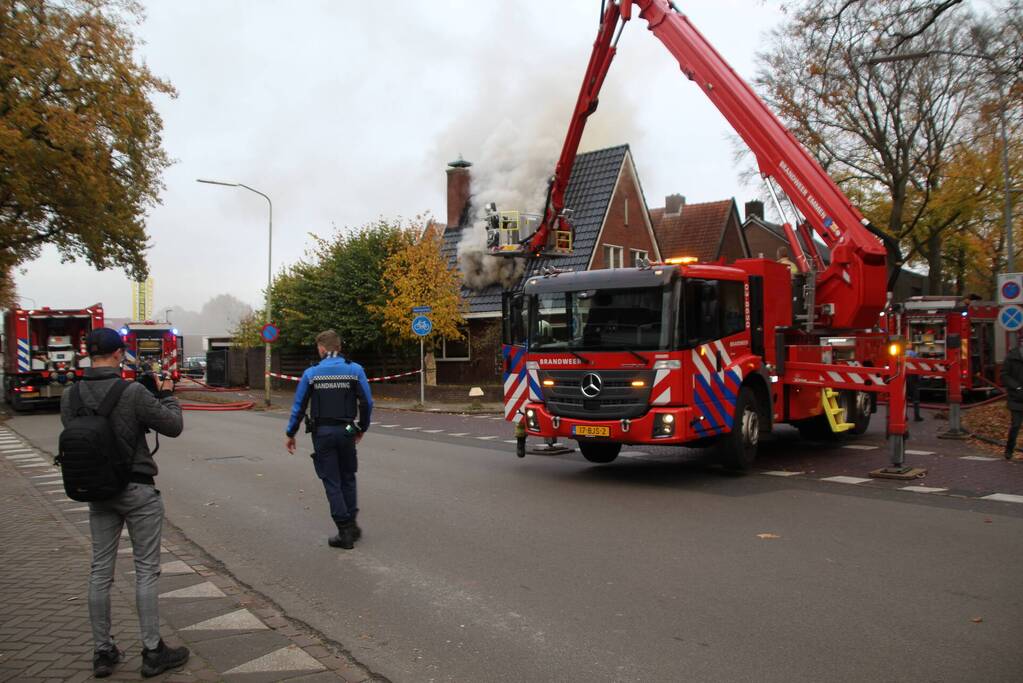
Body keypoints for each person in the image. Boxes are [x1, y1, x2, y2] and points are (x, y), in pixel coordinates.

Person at [60, 328, 189, 678]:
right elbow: (173, 425)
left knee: (100, 570)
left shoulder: (71, 395)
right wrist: (167, 394)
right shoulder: (130, 391)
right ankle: (152, 651)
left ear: (89, 354)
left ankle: (103, 652)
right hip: (137, 491)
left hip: (97, 492)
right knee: (146, 570)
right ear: (119, 355)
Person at [285, 330, 374, 548]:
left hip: (322, 432)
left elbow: (299, 406)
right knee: (348, 477)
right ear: (340, 347)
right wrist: (362, 427)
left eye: (318, 348)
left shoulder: (311, 374)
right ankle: (352, 525)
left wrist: (291, 433)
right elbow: (367, 402)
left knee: (332, 481)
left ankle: (344, 532)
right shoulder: (355, 370)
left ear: (323, 348)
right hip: (347, 429)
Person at [1001, 344, 1023, 461]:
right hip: (1017, 398)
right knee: (1015, 425)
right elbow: (1004, 375)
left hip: (1017, 396)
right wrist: (1017, 387)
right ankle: (1009, 450)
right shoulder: (1011, 357)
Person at [905, 348, 923, 422]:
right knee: (915, 399)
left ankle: (904, 416)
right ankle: (917, 416)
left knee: (904, 399)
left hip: (905, 378)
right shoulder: (915, 354)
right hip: (913, 377)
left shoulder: (902, 353)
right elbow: (919, 365)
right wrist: (920, 376)